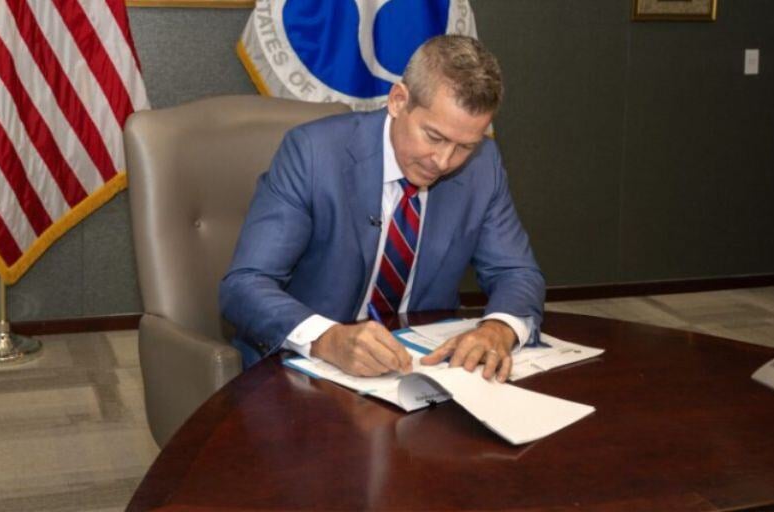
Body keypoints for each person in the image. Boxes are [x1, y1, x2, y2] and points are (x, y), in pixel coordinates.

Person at [219, 35, 544, 383]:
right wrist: (326, 338)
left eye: (465, 146)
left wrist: (498, 327)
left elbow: (517, 272)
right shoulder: (313, 153)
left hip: (417, 370)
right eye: (434, 137)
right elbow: (245, 285)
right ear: (398, 100)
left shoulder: (483, 167)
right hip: (303, 370)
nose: (444, 161)